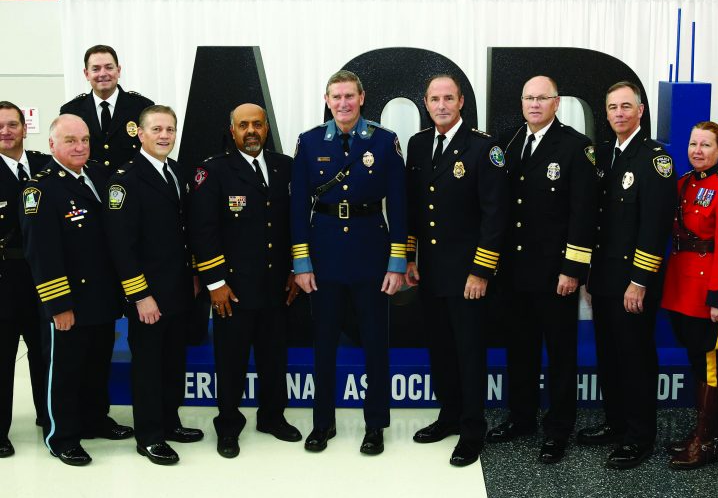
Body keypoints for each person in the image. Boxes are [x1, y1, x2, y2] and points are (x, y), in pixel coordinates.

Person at [291, 70, 406, 455]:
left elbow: (399, 204)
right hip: (323, 253)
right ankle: (322, 423)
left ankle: (375, 425)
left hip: (371, 250)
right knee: (324, 343)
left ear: (361, 98)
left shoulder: (384, 141)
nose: (343, 103)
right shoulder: (309, 142)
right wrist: (301, 262)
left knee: (375, 342)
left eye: (349, 96)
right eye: (336, 97)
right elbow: (297, 207)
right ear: (327, 100)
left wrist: (397, 261)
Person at [485, 76, 596, 464]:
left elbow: (583, 214)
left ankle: (558, 428)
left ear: (557, 102)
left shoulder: (576, 147)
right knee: (520, 348)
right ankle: (521, 417)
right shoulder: (508, 141)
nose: (534, 104)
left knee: (560, 353)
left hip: (555, 274)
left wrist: (573, 269)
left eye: (542, 98)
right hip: (514, 272)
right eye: (528, 98)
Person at [405, 74, 508, 467]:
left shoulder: (484, 148)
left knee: (469, 353)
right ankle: (448, 416)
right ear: (426, 103)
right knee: (441, 350)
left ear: (461, 101)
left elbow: (495, 215)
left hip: (468, 276)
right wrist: (411, 257)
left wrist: (481, 271)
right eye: (435, 99)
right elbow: (415, 207)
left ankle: (471, 429)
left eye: (449, 98)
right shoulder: (418, 144)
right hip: (431, 272)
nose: (442, 105)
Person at [189, 103, 300, 458]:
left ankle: (272, 417)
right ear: (232, 130)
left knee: (274, 357)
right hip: (232, 289)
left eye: (257, 124)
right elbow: (203, 231)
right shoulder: (213, 171)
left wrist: (295, 269)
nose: (251, 131)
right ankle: (228, 426)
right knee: (231, 361)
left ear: (266, 128)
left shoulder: (285, 167)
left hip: (276, 285)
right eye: (243, 125)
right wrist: (215, 283)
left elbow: (294, 224)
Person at [19, 114, 131, 466]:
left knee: (97, 365)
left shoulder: (97, 174)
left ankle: (95, 419)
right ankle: (62, 436)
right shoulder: (40, 190)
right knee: (65, 372)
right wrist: (58, 304)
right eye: (70, 140)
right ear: (52, 144)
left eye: (84, 139)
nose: (80, 146)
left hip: (101, 297)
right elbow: (41, 253)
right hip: (69, 301)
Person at [578, 81, 677, 469]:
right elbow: (596, 221)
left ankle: (640, 437)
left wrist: (639, 281)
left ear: (640, 111)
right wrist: (590, 273)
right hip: (604, 278)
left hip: (634, 282)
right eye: (612, 107)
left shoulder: (654, 159)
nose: (618, 113)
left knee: (635, 359)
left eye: (625, 106)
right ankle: (616, 422)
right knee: (609, 355)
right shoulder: (604, 155)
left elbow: (655, 226)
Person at [103, 105, 204, 465]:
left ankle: (169, 422)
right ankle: (149, 436)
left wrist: (193, 275)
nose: (164, 136)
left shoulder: (174, 170)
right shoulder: (125, 180)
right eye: (157, 129)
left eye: (170, 129)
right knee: (148, 366)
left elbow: (183, 232)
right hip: (148, 295)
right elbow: (120, 245)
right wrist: (140, 295)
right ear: (140, 134)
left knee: (173, 362)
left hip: (178, 289)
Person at [660, 121, 718, 470]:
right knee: (697, 359)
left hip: (711, 291)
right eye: (693, 144)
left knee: (710, 364)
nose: (697, 151)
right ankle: (699, 432)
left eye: (706, 145)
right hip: (682, 287)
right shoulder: (684, 183)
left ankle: (706, 442)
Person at [0, 101, 49, 457]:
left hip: (44, 277)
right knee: (3, 358)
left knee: (45, 354)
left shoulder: (44, 165)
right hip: (5, 277)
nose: (5, 131)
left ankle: (50, 418)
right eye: (0, 126)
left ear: (24, 127)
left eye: (12, 124)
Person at [60, 44, 153, 172]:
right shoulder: (71, 111)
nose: (103, 74)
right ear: (86, 74)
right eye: (96, 69)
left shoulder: (143, 108)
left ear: (118, 71)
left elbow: (152, 153)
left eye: (109, 67)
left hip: (133, 183)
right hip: (89, 183)